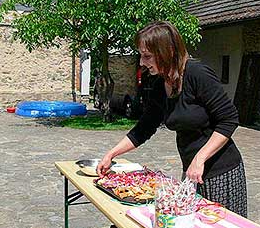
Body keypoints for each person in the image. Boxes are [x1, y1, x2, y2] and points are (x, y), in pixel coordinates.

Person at [97, 21, 247, 217]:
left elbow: (229, 119)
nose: (142, 62)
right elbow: (143, 128)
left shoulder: (197, 73)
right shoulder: (161, 85)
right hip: (192, 171)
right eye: (141, 55)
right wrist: (111, 154)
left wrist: (199, 158)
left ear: (166, 51)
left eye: (147, 56)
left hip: (221, 172)